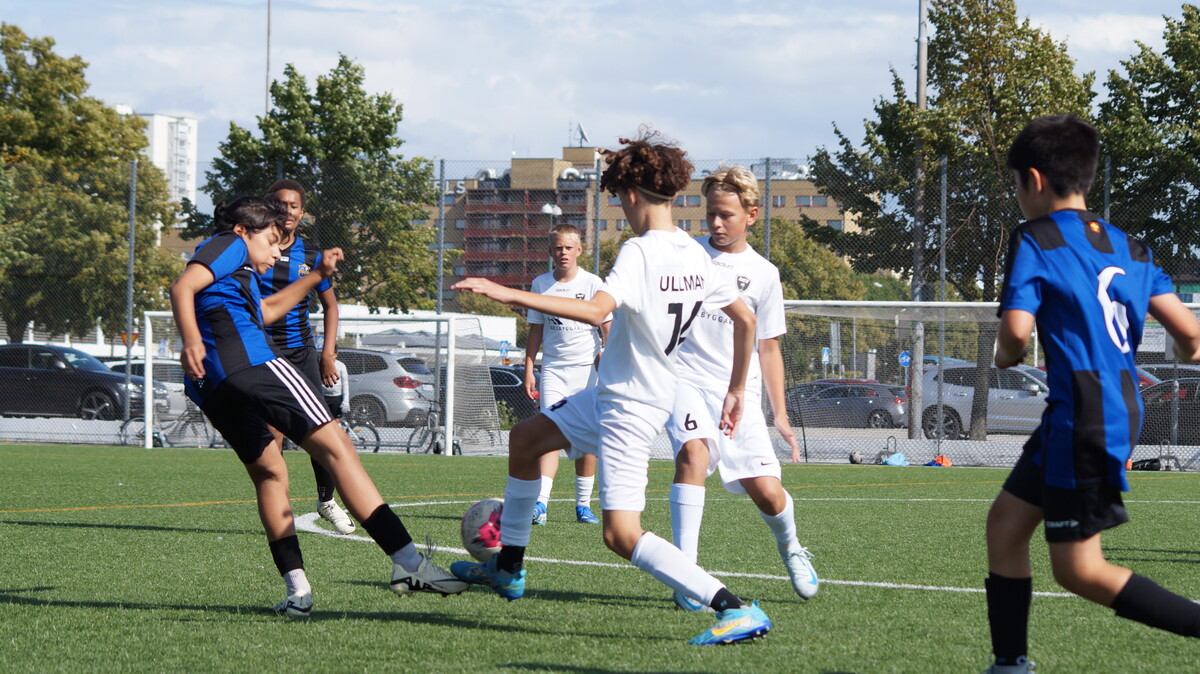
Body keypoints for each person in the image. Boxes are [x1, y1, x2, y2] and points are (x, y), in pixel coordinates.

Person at [450, 132, 772, 645]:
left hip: (629, 406)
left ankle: (733, 608)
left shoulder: (640, 252)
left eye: (619, 196)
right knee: (526, 439)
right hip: (622, 394)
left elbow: (596, 310)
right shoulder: (694, 254)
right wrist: (737, 388)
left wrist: (507, 293)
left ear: (632, 195)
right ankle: (508, 568)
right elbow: (746, 320)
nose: (621, 205)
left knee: (620, 534)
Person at [169, 196, 465, 617]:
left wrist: (317, 276)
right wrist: (190, 340)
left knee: (270, 473)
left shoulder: (236, 273)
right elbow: (181, 287)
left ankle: (298, 592)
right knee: (339, 449)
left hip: (212, 386)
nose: (277, 252)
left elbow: (266, 311)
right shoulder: (229, 244)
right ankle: (409, 564)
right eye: (271, 241)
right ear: (242, 231)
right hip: (251, 364)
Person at [985, 114, 1200, 673]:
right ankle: (1010, 664)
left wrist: (1005, 357)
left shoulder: (1035, 238)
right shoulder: (1131, 246)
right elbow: (1191, 336)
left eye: (1015, 184)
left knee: (1080, 570)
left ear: (1034, 179)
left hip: (1082, 415)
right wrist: (1186, 351)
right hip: (1107, 407)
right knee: (1005, 524)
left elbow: (1015, 334)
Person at [664, 165, 817, 613]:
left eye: (726, 215)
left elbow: (768, 348)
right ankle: (686, 573)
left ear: (751, 215)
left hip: (739, 393)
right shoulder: (685, 253)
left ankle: (791, 547)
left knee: (767, 492)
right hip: (684, 379)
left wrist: (780, 414)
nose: (715, 223)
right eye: (710, 213)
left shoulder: (764, 274)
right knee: (693, 455)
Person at [258, 180, 354, 536]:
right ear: (269, 206)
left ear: (302, 211)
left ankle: (326, 500)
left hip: (301, 352)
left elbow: (331, 306)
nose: (287, 211)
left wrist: (327, 353)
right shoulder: (255, 248)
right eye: (280, 203)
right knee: (273, 432)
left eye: (294, 205)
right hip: (263, 350)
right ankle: (280, 509)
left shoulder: (311, 256)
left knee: (321, 428)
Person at [523, 224, 611, 526]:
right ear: (550, 251)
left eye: (569, 248)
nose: (563, 253)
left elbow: (606, 325)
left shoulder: (592, 283)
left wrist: (607, 352)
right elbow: (535, 330)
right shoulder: (540, 283)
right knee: (549, 433)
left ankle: (583, 506)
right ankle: (540, 504)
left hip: (587, 372)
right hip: (553, 371)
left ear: (579, 250)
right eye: (558, 248)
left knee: (585, 438)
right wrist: (530, 368)